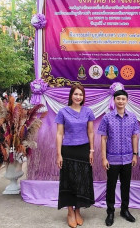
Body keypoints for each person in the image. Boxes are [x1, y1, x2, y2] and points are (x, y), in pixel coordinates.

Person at [55, 84, 95, 228]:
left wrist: (91, 151)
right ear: (71, 95)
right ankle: (70, 211)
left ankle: (78, 210)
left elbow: (90, 132)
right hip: (68, 150)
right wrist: (59, 154)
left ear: (83, 97)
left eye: (81, 95)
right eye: (76, 94)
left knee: (81, 181)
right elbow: (59, 134)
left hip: (83, 150)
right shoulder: (63, 112)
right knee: (69, 180)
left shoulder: (88, 111)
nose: (78, 97)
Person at [98, 90, 139, 226]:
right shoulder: (107, 117)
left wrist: (135, 154)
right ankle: (110, 212)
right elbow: (103, 139)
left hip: (128, 159)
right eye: (118, 99)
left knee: (126, 186)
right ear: (114, 100)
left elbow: (134, 137)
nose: (121, 101)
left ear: (127, 101)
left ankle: (124, 210)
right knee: (111, 186)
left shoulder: (133, 117)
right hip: (112, 159)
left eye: (123, 99)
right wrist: (104, 158)